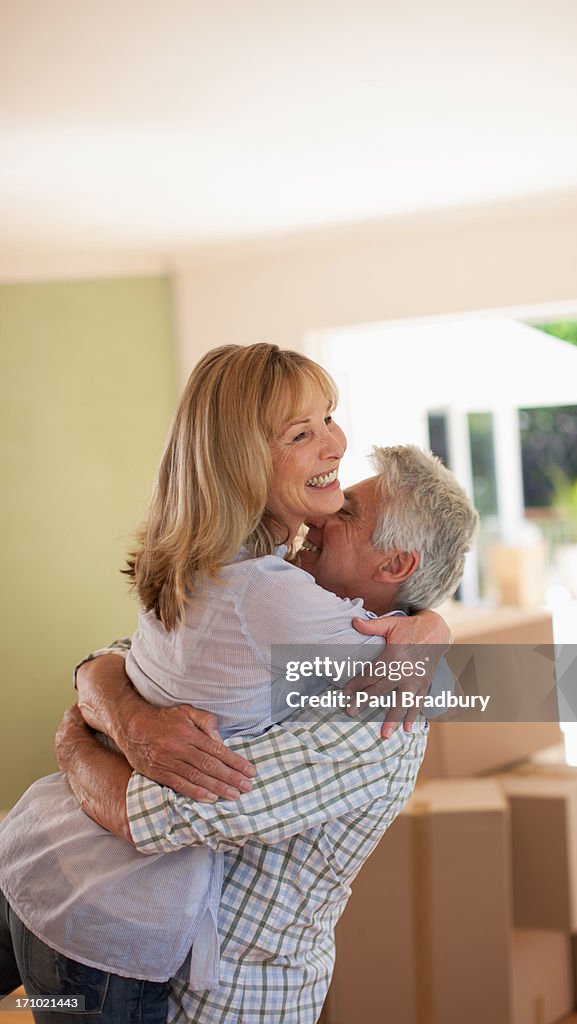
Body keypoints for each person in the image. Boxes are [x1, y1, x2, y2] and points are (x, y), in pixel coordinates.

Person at [0, 344, 477, 1023]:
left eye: (347, 517)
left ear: (392, 562)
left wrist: (80, 740)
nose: (326, 507)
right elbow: (131, 655)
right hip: (103, 937)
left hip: (219, 990)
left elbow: (157, 815)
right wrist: (428, 623)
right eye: (302, 431)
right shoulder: (276, 591)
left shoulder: (379, 702)